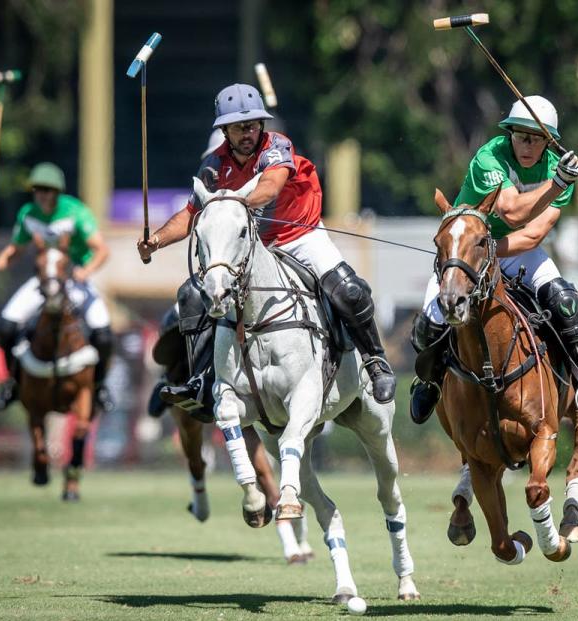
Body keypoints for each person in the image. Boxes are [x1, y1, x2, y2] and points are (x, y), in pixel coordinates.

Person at [137, 83, 395, 417]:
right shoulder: (214, 168)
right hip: (252, 247)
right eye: (238, 127)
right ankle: (202, 378)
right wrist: (155, 241)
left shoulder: (277, 147)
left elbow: (270, 188)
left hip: (299, 235)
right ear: (224, 130)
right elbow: (190, 214)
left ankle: (375, 361)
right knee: (191, 296)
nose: (248, 132)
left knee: (348, 290)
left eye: (253, 124)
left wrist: (227, 204)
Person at [409, 96, 578, 424]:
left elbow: (532, 235)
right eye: (520, 136)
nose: (526, 145)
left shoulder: (556, 170)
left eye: (535, 138)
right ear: (510, 135)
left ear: (549, 141)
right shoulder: (491, 156)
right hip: (465, 252)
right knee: (430, 323)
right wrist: (556, 183)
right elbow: (510, 211)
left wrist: (558, 182)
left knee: (566, 304)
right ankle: (429, 382)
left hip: (516, 249)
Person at [0, 162, 114, 413]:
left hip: (74, 280)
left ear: (57, 192)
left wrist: (87, 270)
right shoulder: (28, 214)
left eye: (47, 190)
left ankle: (100, 386)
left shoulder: (75, 212)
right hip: (42, 281)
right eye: (37, 189)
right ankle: (12, 383)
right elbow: (15, 250)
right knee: (5, 327)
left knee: (103, 333)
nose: (41, 194)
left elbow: (102, 250)